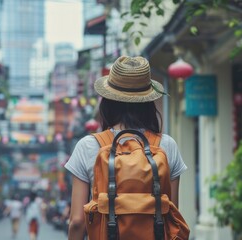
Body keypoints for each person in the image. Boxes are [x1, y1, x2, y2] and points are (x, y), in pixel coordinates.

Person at [64, 55, 188, 240]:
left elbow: (77, 222)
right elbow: (170, 212)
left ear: (107, 101)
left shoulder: (88, 146)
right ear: (148, 101)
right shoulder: (166, 145)